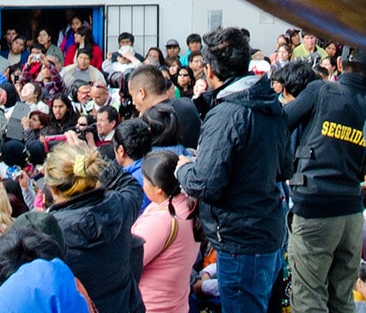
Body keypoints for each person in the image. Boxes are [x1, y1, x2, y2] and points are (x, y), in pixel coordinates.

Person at [176, 27, 291, 313]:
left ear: (210, 71)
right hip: (269, 230)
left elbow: (205, 183)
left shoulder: (228, 114)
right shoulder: (269, 102)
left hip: (242, 239)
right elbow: (284, 166)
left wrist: (183, 169)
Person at [284, 47, 366, 313]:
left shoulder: (321, 91)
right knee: (342, 300)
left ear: (339, 63)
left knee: (309, 299)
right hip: (351, 210)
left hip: (314, 207)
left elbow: (282, 122)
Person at [44, 142, 143, 313]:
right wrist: (95, 155)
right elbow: (130, 185)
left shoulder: (46, 234)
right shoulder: (119, 206)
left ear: (53, 189)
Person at [131, 152, 199, 313]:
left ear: (159, 190)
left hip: (153, 306)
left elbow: (127, 262)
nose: (143, 186)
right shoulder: (187, 204)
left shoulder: (162, 221)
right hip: (177, 305)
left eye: (145, 181)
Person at [124, 66, 201, 148]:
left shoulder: (147, 123)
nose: (133, 102)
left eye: (132, 96)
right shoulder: (188, 104)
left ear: (141, 93)